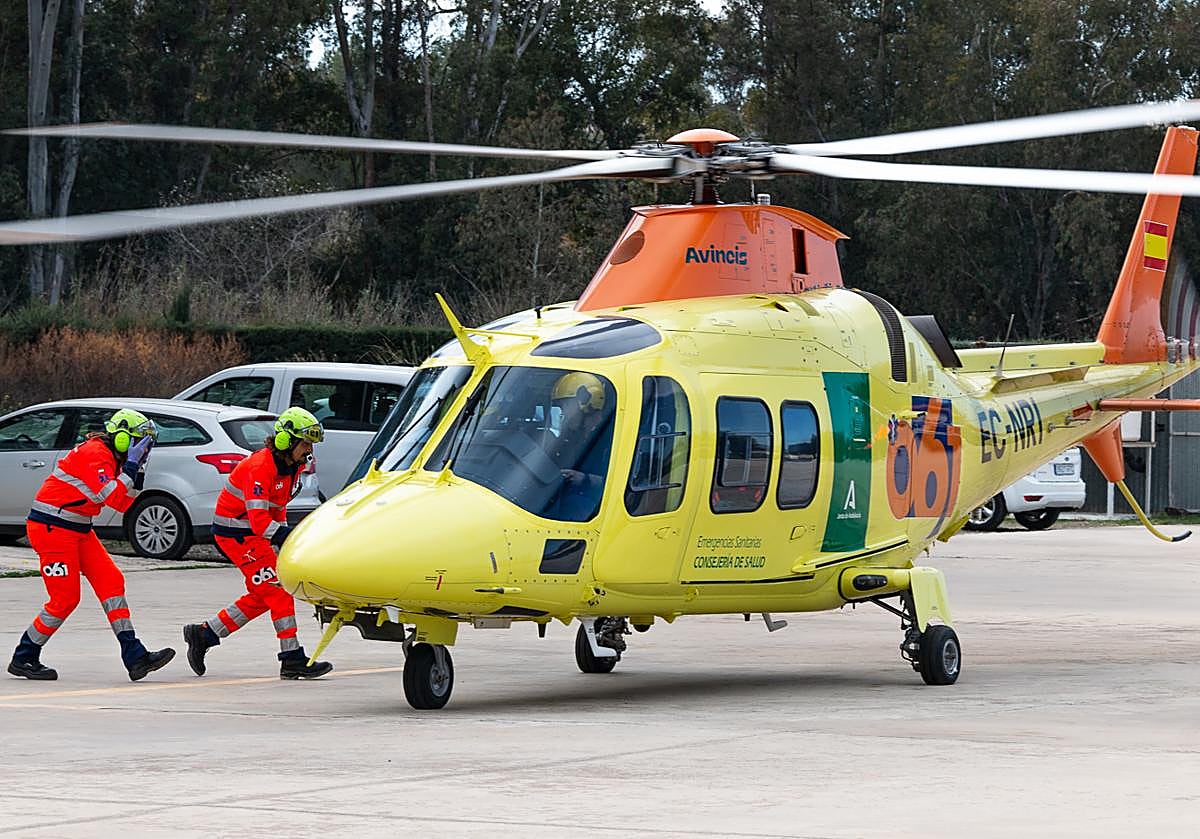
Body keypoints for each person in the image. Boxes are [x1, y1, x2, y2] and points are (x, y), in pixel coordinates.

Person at [7, 408, 176, 681]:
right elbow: (108, 496)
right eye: (139, 442)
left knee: (111, 581)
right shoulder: (96, 454)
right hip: (52, 529)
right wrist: (131, 468)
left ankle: (134, 655)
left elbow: (122, 503)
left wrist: (137, 471)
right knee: (65, 599)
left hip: (77, 527)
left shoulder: (114, 458)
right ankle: (24, 657)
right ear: (121, 438)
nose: (143, 448)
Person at [182, 407, 333, 680]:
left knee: (264, 594)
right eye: (305, 443)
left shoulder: (290, 467)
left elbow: (277, 510)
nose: (309, 450)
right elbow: (259, 520)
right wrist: (288, 537)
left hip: (250, 534)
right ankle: (291, 659)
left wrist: (283, 537)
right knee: (278, 591)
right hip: (236, 535)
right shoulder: (260, 467)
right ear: (286, 441)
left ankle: (205, 634)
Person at [548, 372, 613, 521]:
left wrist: (584, 479)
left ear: (587, 405)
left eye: (567, 407)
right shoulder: (570, 438)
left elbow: (619, 484)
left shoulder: (609, 438)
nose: (564, 413)